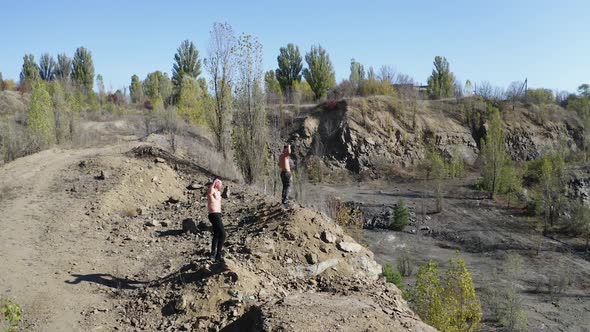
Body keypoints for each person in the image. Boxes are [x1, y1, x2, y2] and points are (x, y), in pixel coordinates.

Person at [207, 178, 225, 262]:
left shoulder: (218, 193)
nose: (221, 185)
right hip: (213, 214)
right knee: (223, 234)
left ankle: (213, 254)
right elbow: (209, 192)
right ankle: (218, 254)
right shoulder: (212, 191)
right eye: (220, 183)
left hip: (218, 214)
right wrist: (214, 182)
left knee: (217, 234)